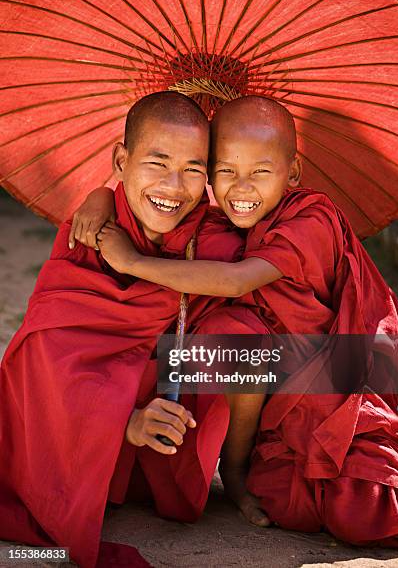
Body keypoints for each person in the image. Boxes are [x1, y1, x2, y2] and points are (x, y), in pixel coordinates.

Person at [72, 95, 398, 547]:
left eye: (260, 172)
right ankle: (236, 466)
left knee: (368, 510)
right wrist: (100, 196)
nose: (241, 188)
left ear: (292, 172)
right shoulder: (227, 224)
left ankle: (236, 466)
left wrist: (130, 262)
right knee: (283, 499)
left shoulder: (313, 217)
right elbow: (155, 214)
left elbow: (235, 281)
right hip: (281, 388)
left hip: (346, 378)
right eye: (225, 171)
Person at [0, 91, 266, 568]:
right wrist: (126, 422)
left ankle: (240, 470)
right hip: (95, 439)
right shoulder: (89, 233)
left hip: (175, 441)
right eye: (157, 162)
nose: (174, 185)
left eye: (193, 168)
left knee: (248, 341)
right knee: (45, 346)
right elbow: (43, 357)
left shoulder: (215, 238)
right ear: (121, 160)